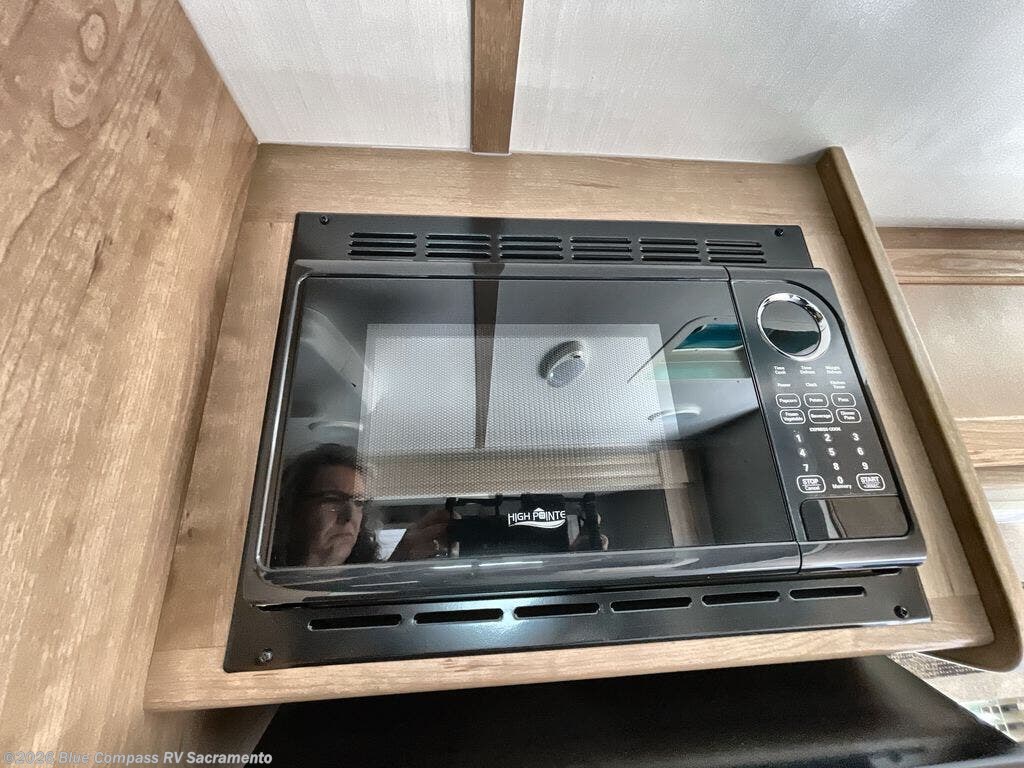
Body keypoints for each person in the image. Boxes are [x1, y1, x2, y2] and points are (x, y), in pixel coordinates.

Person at [275, 444, 451, 567]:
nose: (349, 516)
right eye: (333, 500)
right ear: (294, 507)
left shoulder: (365, 578)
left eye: (359, 502)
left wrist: (398, 565)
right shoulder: (267, 581)